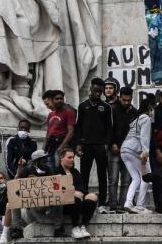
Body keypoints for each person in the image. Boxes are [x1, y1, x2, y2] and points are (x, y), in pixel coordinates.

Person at [75, 77, 112, 209]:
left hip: (100, 145)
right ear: (91, 89)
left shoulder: (106, 107)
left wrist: (106, 143)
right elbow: (78, 126)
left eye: (100, 92)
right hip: (86, 145)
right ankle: (84, 198)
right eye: (95, 90)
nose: (97, 94)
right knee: (84, 173)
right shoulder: (83, 106)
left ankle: (102, 202)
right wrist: (78, 144)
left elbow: (109, 127)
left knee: (103, 174)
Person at [56, 147, 98, 240]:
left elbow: (82, 188)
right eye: (69, 157)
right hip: (64, 205)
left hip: (78, 201)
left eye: (73, 157)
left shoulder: (75, 172)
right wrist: (73, 192)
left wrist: (80, 193)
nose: (72, 160)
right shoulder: (56, 171)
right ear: (61, 158)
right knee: (75, 197)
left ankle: (83, 226)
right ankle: (75, 228)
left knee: (93, 197)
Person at [120, 96, 152, 214]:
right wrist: (145, 153)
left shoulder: (135, 119)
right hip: (135, 149)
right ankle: (139, 206)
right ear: (150, 107)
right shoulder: (146, 118)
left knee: (136, 178)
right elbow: (144, 137)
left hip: (124, 149)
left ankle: (128, 202)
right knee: (146, 177)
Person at [109, 86, 136, 212]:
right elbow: (107, 129)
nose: (126, 102)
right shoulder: (112, 109)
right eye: (124, 100)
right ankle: (113, 205)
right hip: (114, 149)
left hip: (129, 150)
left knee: (126, 180)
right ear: (119, 97)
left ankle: (122, 205)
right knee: (113, 179)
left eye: (129, 100)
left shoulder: (134, 112)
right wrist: (112, 143)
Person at [42, 90, 76, 171]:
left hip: (61, 145)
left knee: (60, 170)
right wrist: (43, 147)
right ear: (52, 100)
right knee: (50, 170)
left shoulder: (69, 112)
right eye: (56, 99)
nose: (59, 100)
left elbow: (71, 131)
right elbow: (48, 133)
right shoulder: (51, 114)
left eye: (61, 98)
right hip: (50, 146)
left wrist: (61, 147)